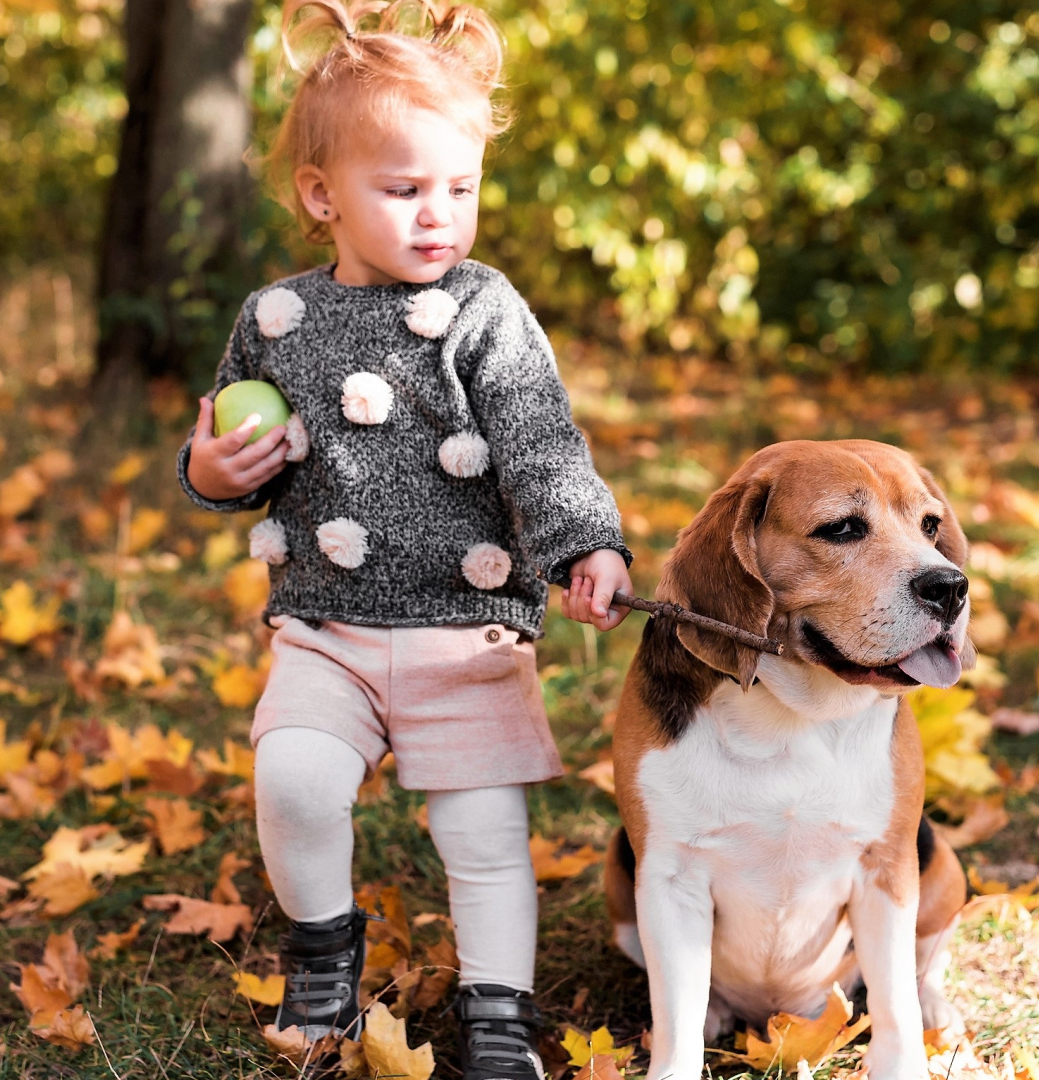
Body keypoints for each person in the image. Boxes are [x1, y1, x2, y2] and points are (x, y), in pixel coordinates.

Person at [177, 1, 631, 1075]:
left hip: (464, 631)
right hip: (325, 627)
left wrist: (584, 543)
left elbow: (539, 443)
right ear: (321, 195)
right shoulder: (274, 319)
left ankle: (497, 1015)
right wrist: (211, 472)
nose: (440, 217)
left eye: (460, 189)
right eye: (405, 190)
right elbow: (230, 451)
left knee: (481, 837)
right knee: (290, 778)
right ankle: (325, 949)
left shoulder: (484, 310)